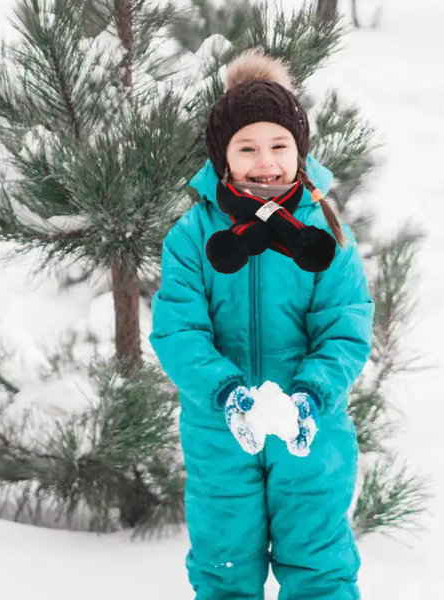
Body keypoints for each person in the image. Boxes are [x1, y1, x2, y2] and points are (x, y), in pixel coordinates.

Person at [149, 48, 375, 600]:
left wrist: (311, 395)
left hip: (312, 432)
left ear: (300, 151)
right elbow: (178, 329)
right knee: (224, 567)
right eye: (247, 148)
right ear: (223, 158)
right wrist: (225, 392)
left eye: (279, 145)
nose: (266, 161)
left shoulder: (324, 231)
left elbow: (346, 325)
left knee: (319, 564)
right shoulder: (192, 236)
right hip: (221, 431)